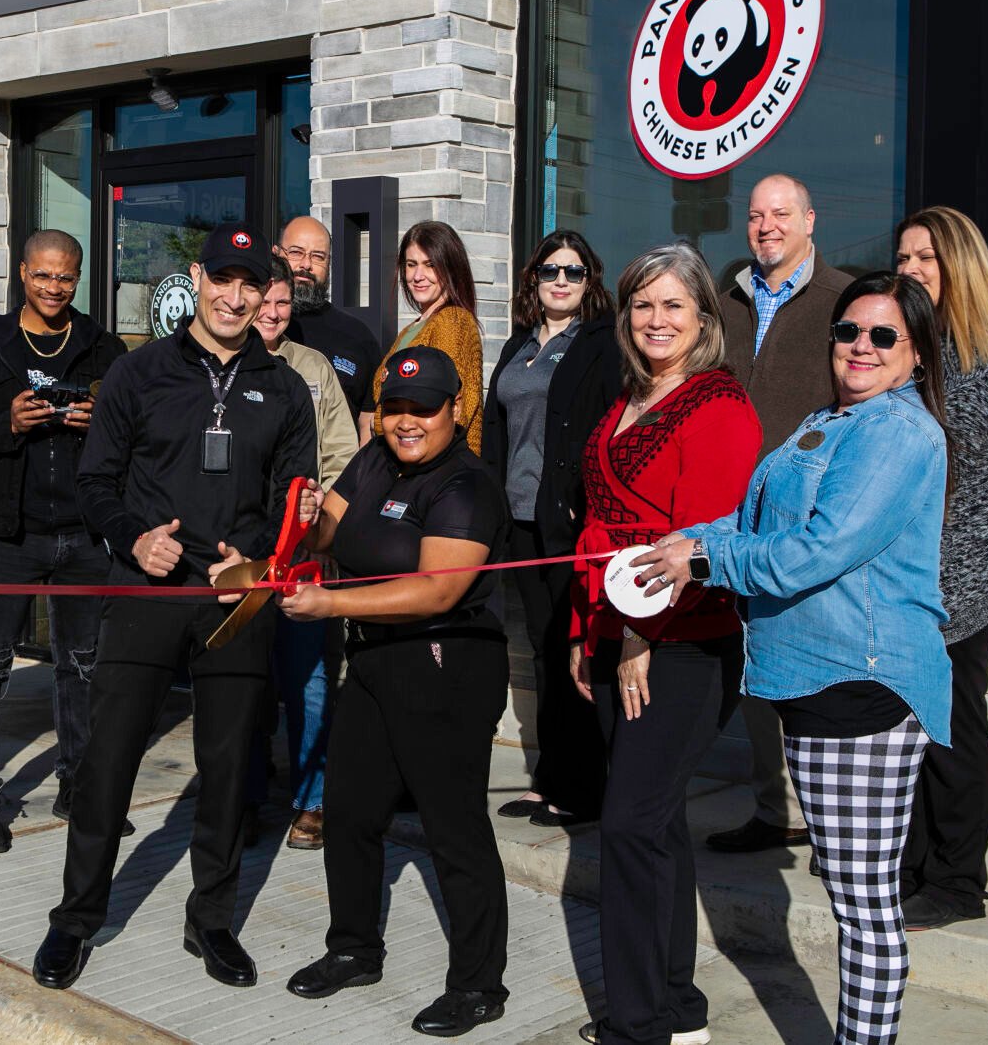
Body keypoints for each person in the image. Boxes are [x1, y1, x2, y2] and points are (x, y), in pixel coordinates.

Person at [641, 271, 953, 1045]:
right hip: (812, 681)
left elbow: (817, 551)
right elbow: (750, 515)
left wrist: (707, 565)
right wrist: (690, 540)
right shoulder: (828, 420)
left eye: (883, 335)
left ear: (915, 354)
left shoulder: (897, 433)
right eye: (848, 331)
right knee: (852, 892)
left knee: (860, 903)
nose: (860, 347)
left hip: (864, 684)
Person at [33, 221, 317, 992]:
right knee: (107, 762)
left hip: (234, 600)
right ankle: (76, 920)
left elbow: (293, 495)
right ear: (197, 278)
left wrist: (255, 556)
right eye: (221, 279)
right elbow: (96, 484)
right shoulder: (137, 373)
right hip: (148, 591)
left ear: (265, 291)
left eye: (248, 283)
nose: (233, 296)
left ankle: (212, 920)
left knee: (228, 771)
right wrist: (133, 541)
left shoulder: (285, 387)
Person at [279, 346, 512, 1039]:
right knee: (349, 813)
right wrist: (299, 526)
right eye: (394, 408)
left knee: (453, 829)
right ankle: (353, 947)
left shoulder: (466, 485)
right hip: (376, 661)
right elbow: (327, 534)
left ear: (455, 410)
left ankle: (477, 984)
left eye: (423, 408)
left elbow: (437, 590)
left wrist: (330, 608)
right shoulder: (375, 456)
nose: (406, 421)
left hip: (446, 666)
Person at [571, 243, 761, 1045]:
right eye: (642, 304)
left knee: (626, 827)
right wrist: (588, 633)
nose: (655, 320)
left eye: (673, 305)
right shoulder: (627, 400)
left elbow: (699, 538)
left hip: (680, 644)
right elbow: (600, 530)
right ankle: (678, 1014)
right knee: (654, 828)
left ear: (703, 319)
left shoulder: (717, 406)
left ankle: (638, 1024)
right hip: (619, 636)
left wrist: (634, 640)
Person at [0, 230, 128, 853]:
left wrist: (99, 419)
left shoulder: (103, 349)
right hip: (8, 535)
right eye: (44, 275)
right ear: (22, 273)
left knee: (82, 667)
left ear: (79, 277)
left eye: (66, 278)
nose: (54, 288)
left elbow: (137, 433)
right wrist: (8, 423)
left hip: (83, 532)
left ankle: (78, 784)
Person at [894, 208, 988, 931]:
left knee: (949, 731)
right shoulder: (907, 346)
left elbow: (946, 445)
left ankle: (956, 882)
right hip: (900, 573)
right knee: (905, 729)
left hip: (960, 576)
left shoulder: (985, 357)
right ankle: (911, 867)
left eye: (926, 257)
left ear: (959, 267)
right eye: (904, 257)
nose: (911, 269)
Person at [706, 172, 853, 856]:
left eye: (781, 213)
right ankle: (777, 810)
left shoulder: (841, 300)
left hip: (805, 512)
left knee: (814, 663)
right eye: (756, 214)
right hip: (728, 509)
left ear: (809, 220)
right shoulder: (725, 300)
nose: (766, 226)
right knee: (756, 666)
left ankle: (832, 820)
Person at [482, 230, 620, 829]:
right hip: (517, 519)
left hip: (565, 522)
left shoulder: (600, 345)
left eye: (573, 272)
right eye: (549, 271)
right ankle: (550, 779)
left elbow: (603, 431)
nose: (560, 281)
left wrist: (580, 503)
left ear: (590, 282)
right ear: (532, 280)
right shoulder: (519, 345)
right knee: (541, 650)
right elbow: (499, 430)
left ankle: (585, 788)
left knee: (576, 650)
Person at [245, 253, 358, 850]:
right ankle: (246, 795)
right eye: (263, 299)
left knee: (309, 677)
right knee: (243, 681)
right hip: (236, 555)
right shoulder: (221, 366)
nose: (271, 311)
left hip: (301, 556)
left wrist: (324, 518)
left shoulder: (314, 368)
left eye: (283, 301)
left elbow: (342, 456)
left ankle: (312, 800)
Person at [372, 221, 485, 453]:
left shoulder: (452, 321)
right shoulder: (413, 328)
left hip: (434, 468)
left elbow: (454, 412)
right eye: (411, 265)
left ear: (451, 268)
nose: (418, 276)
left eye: (430, 265)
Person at [279, 214, 382, 443]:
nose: (306, 265)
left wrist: (359, 478)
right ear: (276, 254)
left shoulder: (357, 336)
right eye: (295, 252)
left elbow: (368, 422)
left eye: (318, 256)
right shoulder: (255, 325)